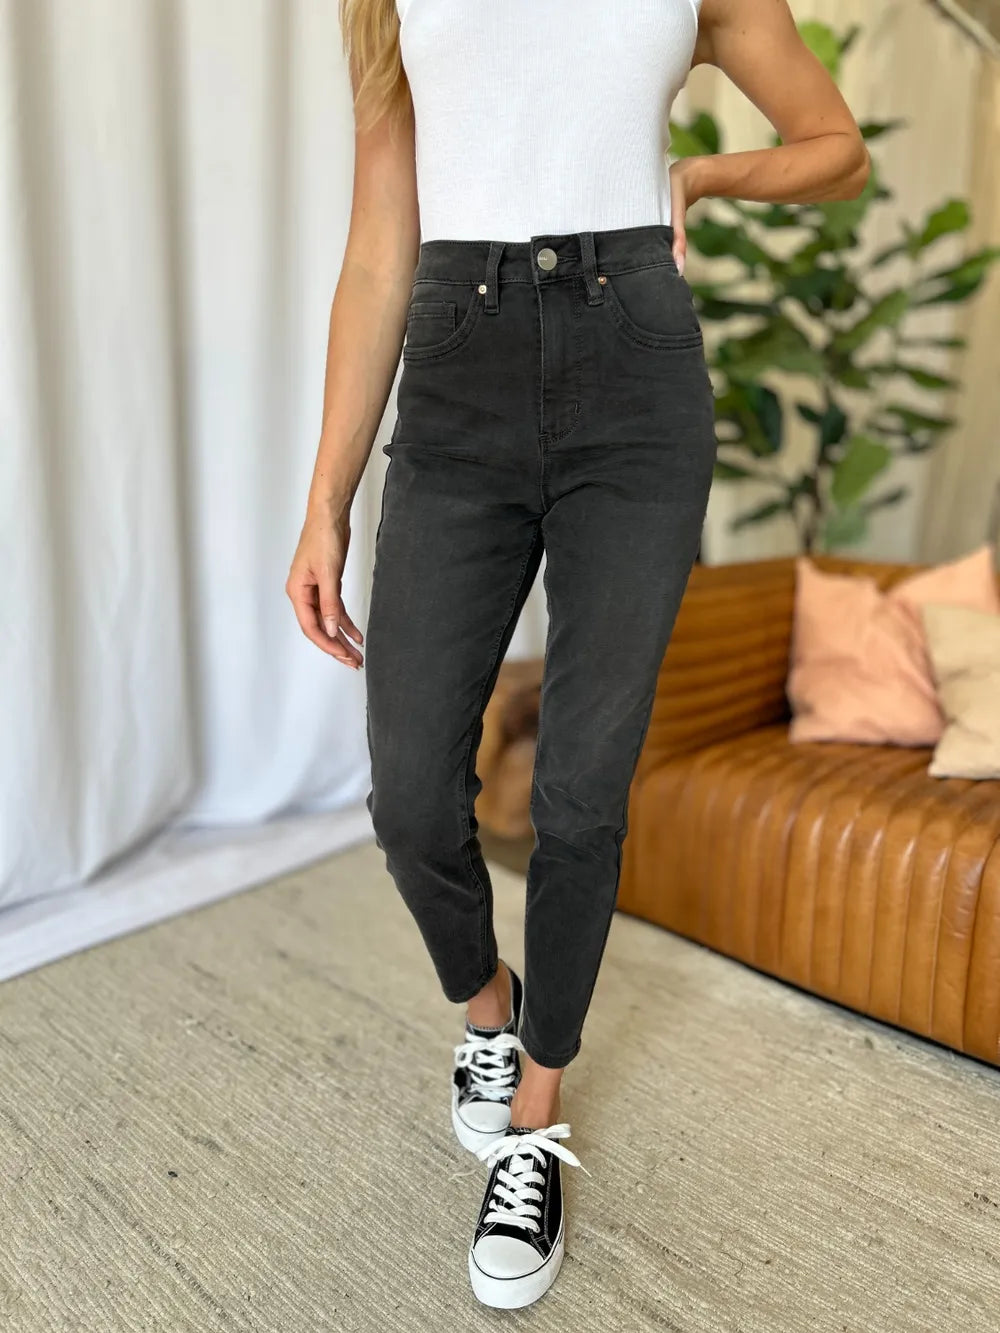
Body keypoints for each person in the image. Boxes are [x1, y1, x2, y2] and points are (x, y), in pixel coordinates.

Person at [287, 0, 869, 1310]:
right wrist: (325, 497)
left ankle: (535, 1119)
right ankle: (490, 1009)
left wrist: (708, 172)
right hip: (455, 369)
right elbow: (382, 242)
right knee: (407, 792)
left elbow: (835, 144)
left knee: (581, 789)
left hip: (635, 385)